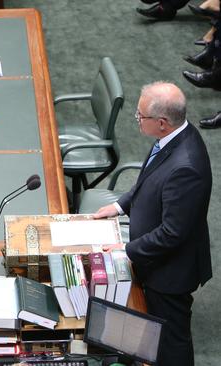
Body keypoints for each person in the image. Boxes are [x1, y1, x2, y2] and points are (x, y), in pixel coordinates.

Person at [93, 82, 212, 366]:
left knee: (171, 342)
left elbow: (172, 234)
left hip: (170, 272)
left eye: (140, 116)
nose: (136, 120)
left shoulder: (187, 167)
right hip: (154, 260)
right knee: (151, 333)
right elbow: (148, 178)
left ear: (161, 122)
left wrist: (126, 250)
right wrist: (119, 205)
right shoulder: (171, 137)